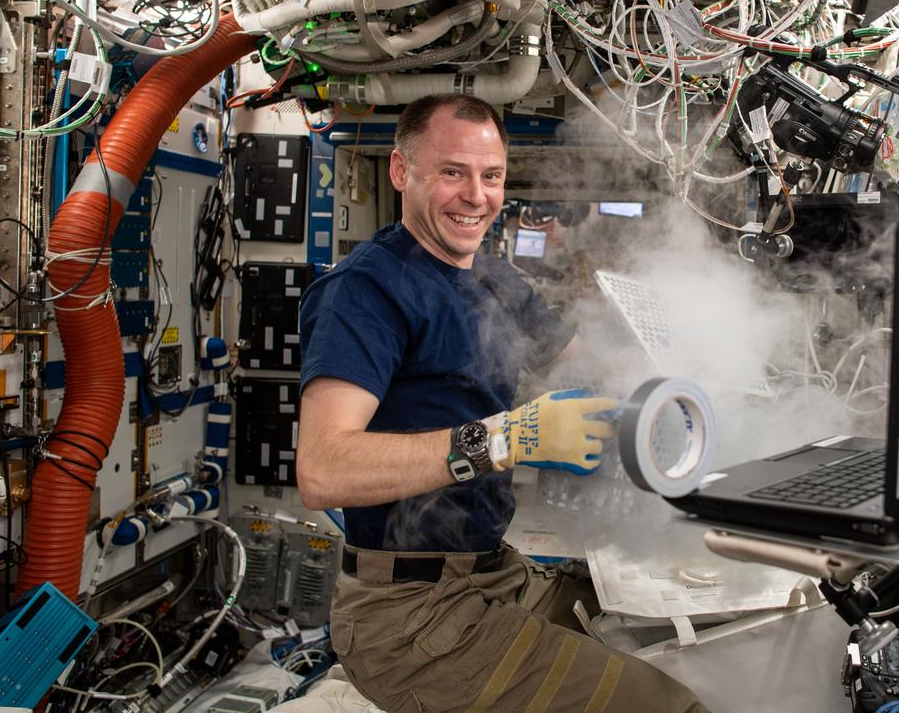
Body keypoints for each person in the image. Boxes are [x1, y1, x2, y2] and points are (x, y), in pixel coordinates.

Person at [297, 94, 709, 713]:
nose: (476, 195)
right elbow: (323, 469)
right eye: (452, 172)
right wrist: (510, 438)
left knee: (669, 642)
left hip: (492, 573)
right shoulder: (365, 293)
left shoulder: (492, 277)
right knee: (673, 707)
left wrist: (677, 381)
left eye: (490, 176)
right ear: (402, 172)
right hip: (408, 617)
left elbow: (583, 362)